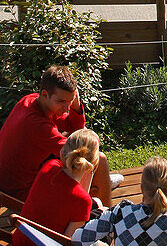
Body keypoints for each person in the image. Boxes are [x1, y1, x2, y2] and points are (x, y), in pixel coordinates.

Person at [0, 65, 117, 204]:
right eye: (61, 101)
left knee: (86, 159)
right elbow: (79, 152)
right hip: (18, 193)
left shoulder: (33, 101)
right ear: (45, 94)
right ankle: (106, 219)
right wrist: (93, 140)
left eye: (70, 101)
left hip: (8, 184)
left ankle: (99, 184)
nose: (66, 108)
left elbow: (73, 127)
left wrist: (76, 105)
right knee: (99, 159)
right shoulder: (38, 125)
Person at [10, 129, 100, 246]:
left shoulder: (49, 166)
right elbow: (68, 244)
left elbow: (75, 192)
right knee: (99, 215)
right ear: (94, 163)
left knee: (95, 206)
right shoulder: (82, 200)